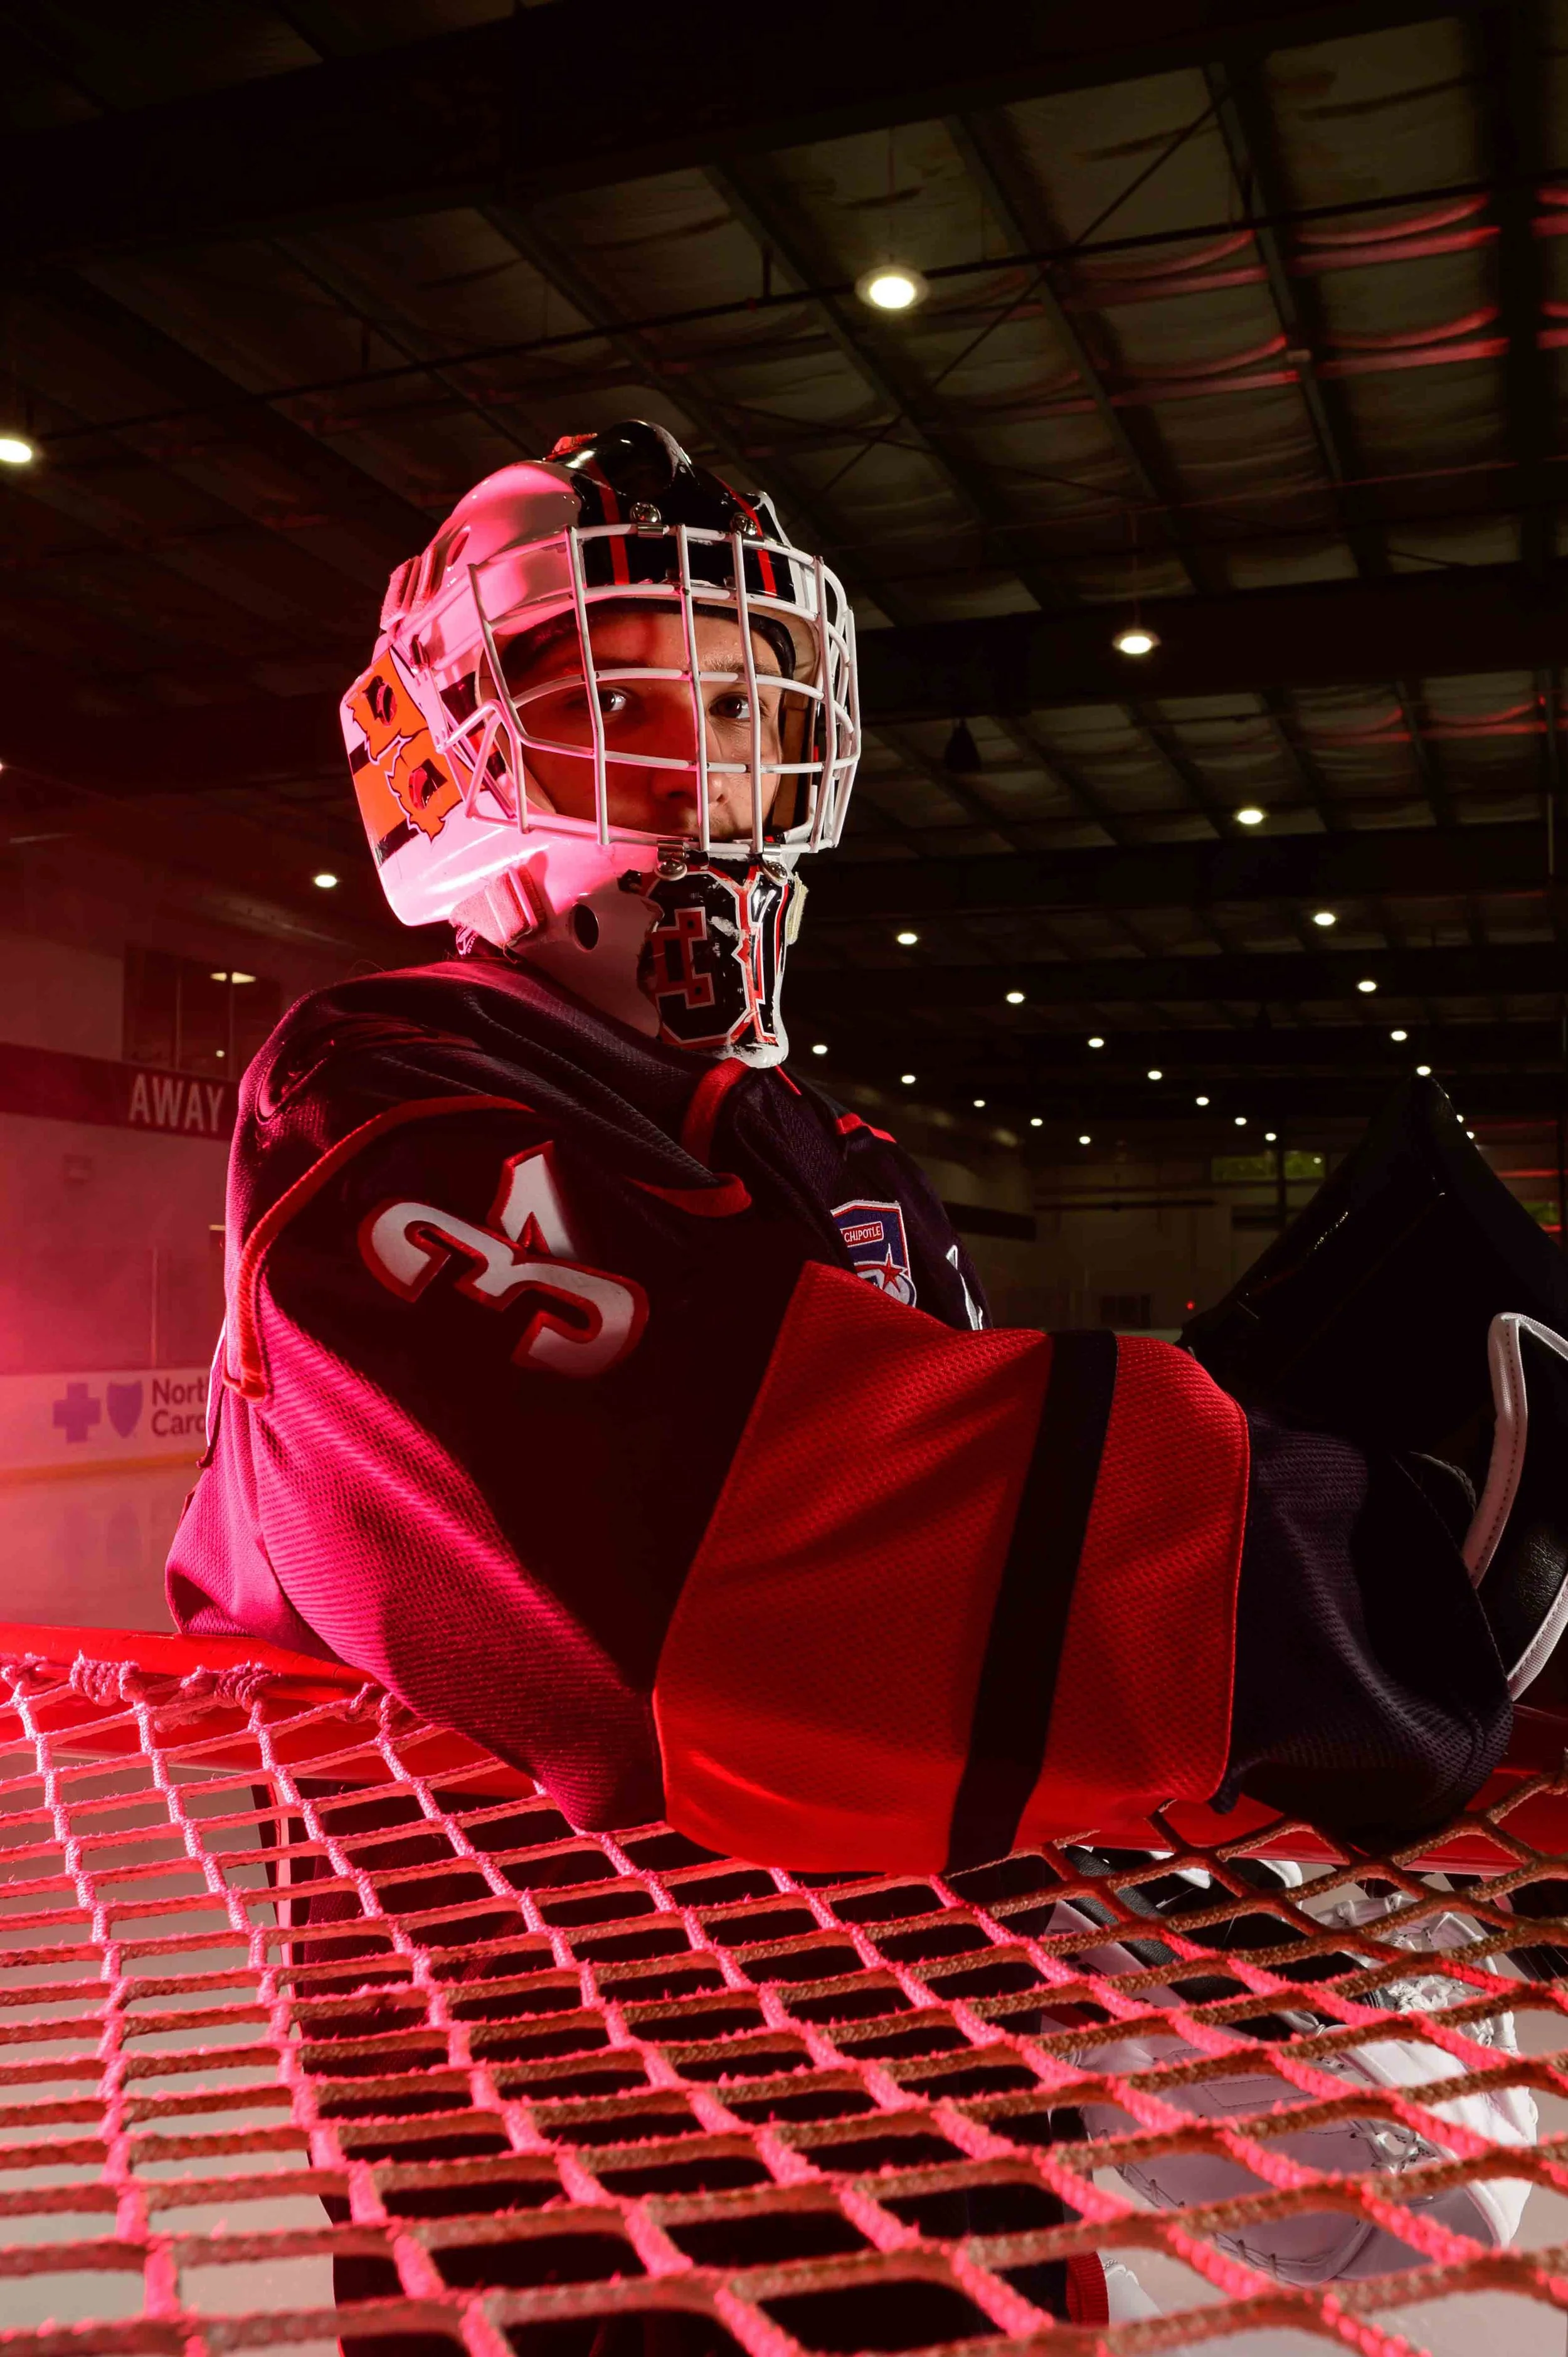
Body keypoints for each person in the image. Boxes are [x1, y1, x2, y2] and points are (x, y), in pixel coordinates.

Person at [166, 420, 1555, 2304]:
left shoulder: (847, 1159)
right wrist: (1356, 1576)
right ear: (441, 747)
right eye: (629, 695)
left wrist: (1235, 1794)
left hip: (946, 2112)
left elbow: (979, 1628)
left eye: (749, 703)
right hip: (570, 2174)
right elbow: (755, 1547)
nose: (716, 761)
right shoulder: (376, 1091)